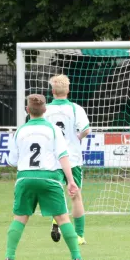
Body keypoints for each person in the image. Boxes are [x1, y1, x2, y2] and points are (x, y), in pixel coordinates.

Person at [4, 94, 84, 260]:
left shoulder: (20, 131)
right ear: (45, 110)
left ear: (27, 110)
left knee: (19, 218)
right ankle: (76, 258)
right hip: (49, 178)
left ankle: (9, 257)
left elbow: (11, 161)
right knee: (63, 219)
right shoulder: (53, 130)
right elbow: (63, 156)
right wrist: (71, 181)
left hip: (25, 178)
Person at [44, 74, 90, 245]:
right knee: (76, 196)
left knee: (56, 195)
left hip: (52, 160)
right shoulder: (75, 108)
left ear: (53, 91)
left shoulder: (45, 109)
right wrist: (77, 136)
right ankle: (79, 235)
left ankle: (56, 220)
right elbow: (86, 130)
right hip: (72, 159)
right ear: (68, 90)